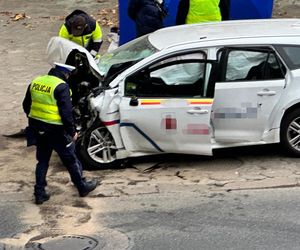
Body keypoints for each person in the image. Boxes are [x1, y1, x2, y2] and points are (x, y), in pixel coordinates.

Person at [22, 62, 98, 205]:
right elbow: (66, 113)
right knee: (70, 159)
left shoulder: (36, 82)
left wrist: (36, 120)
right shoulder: (62, 87)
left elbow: (26, 105)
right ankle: (82, 187)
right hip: (56, 131)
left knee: (42, 161)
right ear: (66, 74)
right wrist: (72, 131)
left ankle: (39, 193)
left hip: (38, 129)